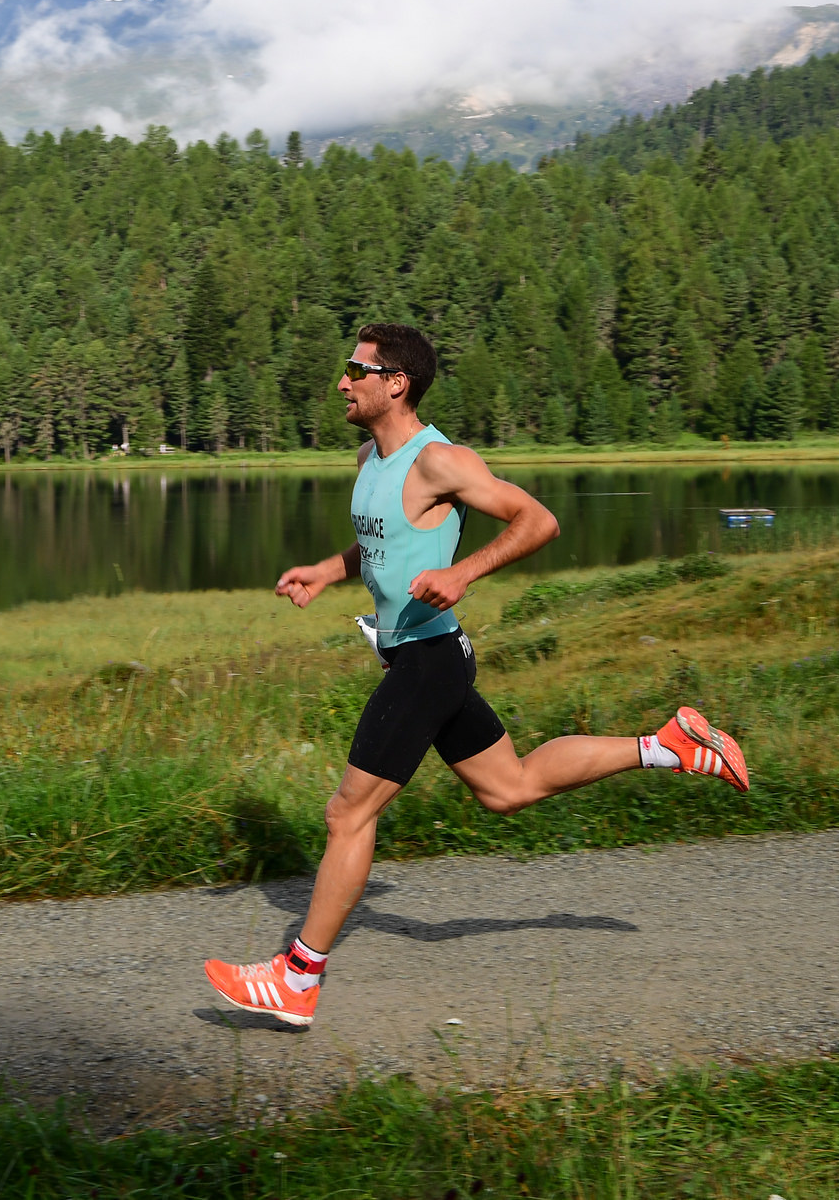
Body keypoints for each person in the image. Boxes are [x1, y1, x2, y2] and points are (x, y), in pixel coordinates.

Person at [203, 322, 748, 1028]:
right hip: (424, 657)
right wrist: (326, 570)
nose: (342, 381)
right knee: (509, 786)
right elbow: (380, 545)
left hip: (429, 661)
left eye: (355, 369)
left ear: (395, 382)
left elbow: (538, 520)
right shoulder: (370, 455)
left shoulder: (441, 461)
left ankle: (298, 976)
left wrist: (464, 571)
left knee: (348, 813)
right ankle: (669, 744)